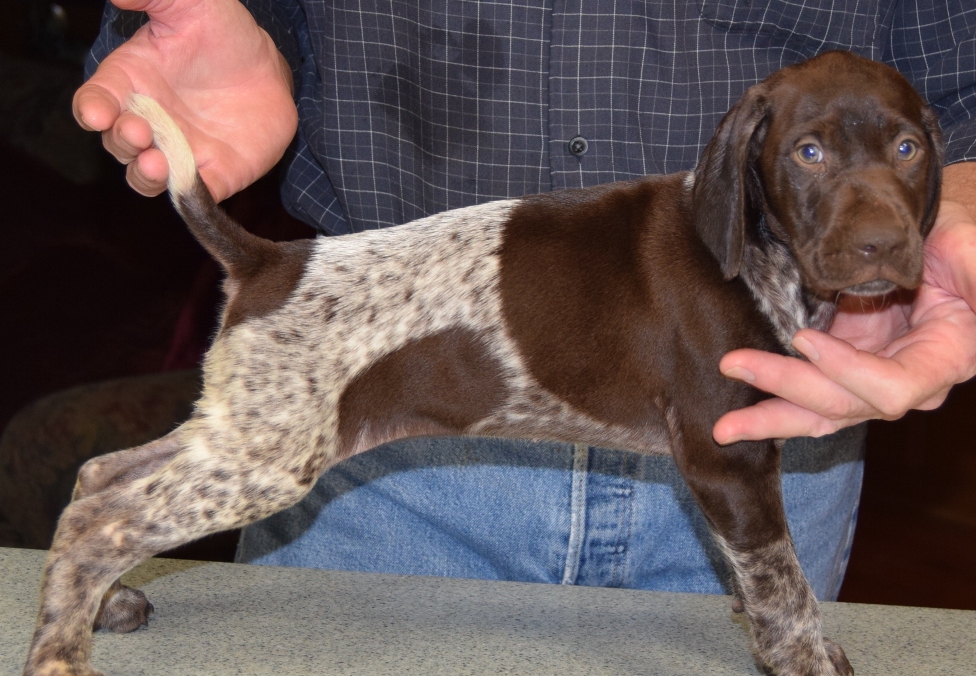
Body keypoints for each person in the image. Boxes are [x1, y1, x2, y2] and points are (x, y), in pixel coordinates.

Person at [73, 0, 976, 599]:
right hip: (388, 419)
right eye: (812, 151)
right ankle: (96, 537)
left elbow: (963, 76)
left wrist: (949, 228)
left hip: (789, 409)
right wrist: (251, 18)